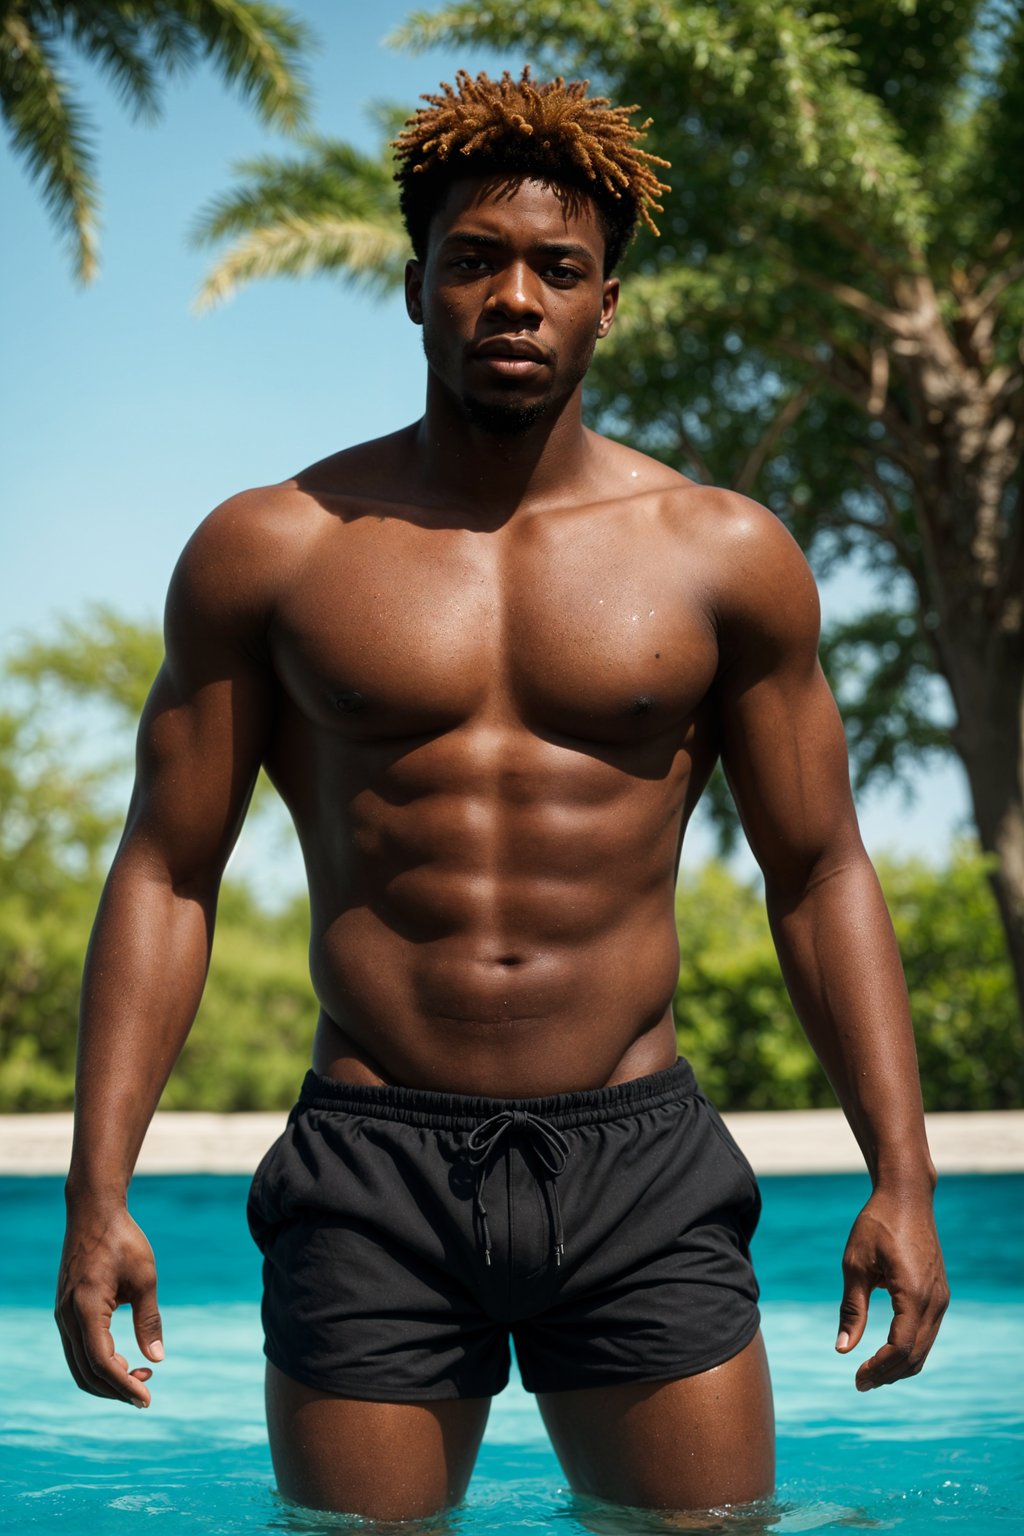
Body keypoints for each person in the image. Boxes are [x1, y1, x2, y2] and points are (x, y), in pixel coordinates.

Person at [55, 68, 948, 1522]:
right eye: (473, 261)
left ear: (611, 304)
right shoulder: (275, 551)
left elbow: (821, 870)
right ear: (415, 289)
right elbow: (168, 868)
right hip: (372, 1168)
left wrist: (900, 1178)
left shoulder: (723, 557)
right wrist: (100, 1195)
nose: (514, 297)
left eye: (558, 268)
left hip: (637, 1161)